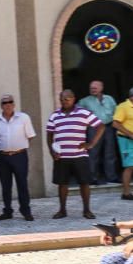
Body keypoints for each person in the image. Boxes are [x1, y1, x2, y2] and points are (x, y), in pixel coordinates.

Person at [47, 89, 103, 219]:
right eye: (61, 99)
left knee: (84, 183)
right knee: (62, 184)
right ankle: (62, 210)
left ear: (73, 99)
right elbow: (49, 134)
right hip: (61, 156)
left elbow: (101, 126)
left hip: (79, 155)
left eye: (66, 99)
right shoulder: (54, 115)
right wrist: (51, 150)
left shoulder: (83, 113)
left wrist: (91, 144)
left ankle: (87, 210)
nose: (64, 102)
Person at [0, 94, 36, 221]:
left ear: (14, 104)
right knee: (6, 185)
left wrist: (19, 146)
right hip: (2, 157)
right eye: (5, 102)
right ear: (1, 106)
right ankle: (7, 211)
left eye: (10, 102)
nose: (8, 104)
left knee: (22, 184)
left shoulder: (24, 118)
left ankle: (26, 211)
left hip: (19, 155)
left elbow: (30, 136)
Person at [79, 80, 119, 185]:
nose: (93, 89)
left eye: (95, 87)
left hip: (109, 127)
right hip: (94, 128)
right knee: (93, 152)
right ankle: (92, 177)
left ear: (101, 88)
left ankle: (112, 177)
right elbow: (78, 114)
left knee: (110, 152)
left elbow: (116, 111)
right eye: (91, 88)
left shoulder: (109, 99)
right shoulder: (84, 101)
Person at [112, 86, 133, 201]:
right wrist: (130, 134)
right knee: (130, 166)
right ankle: (126, 193)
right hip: (126, 140)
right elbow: (115, 124)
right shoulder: (123, 107)